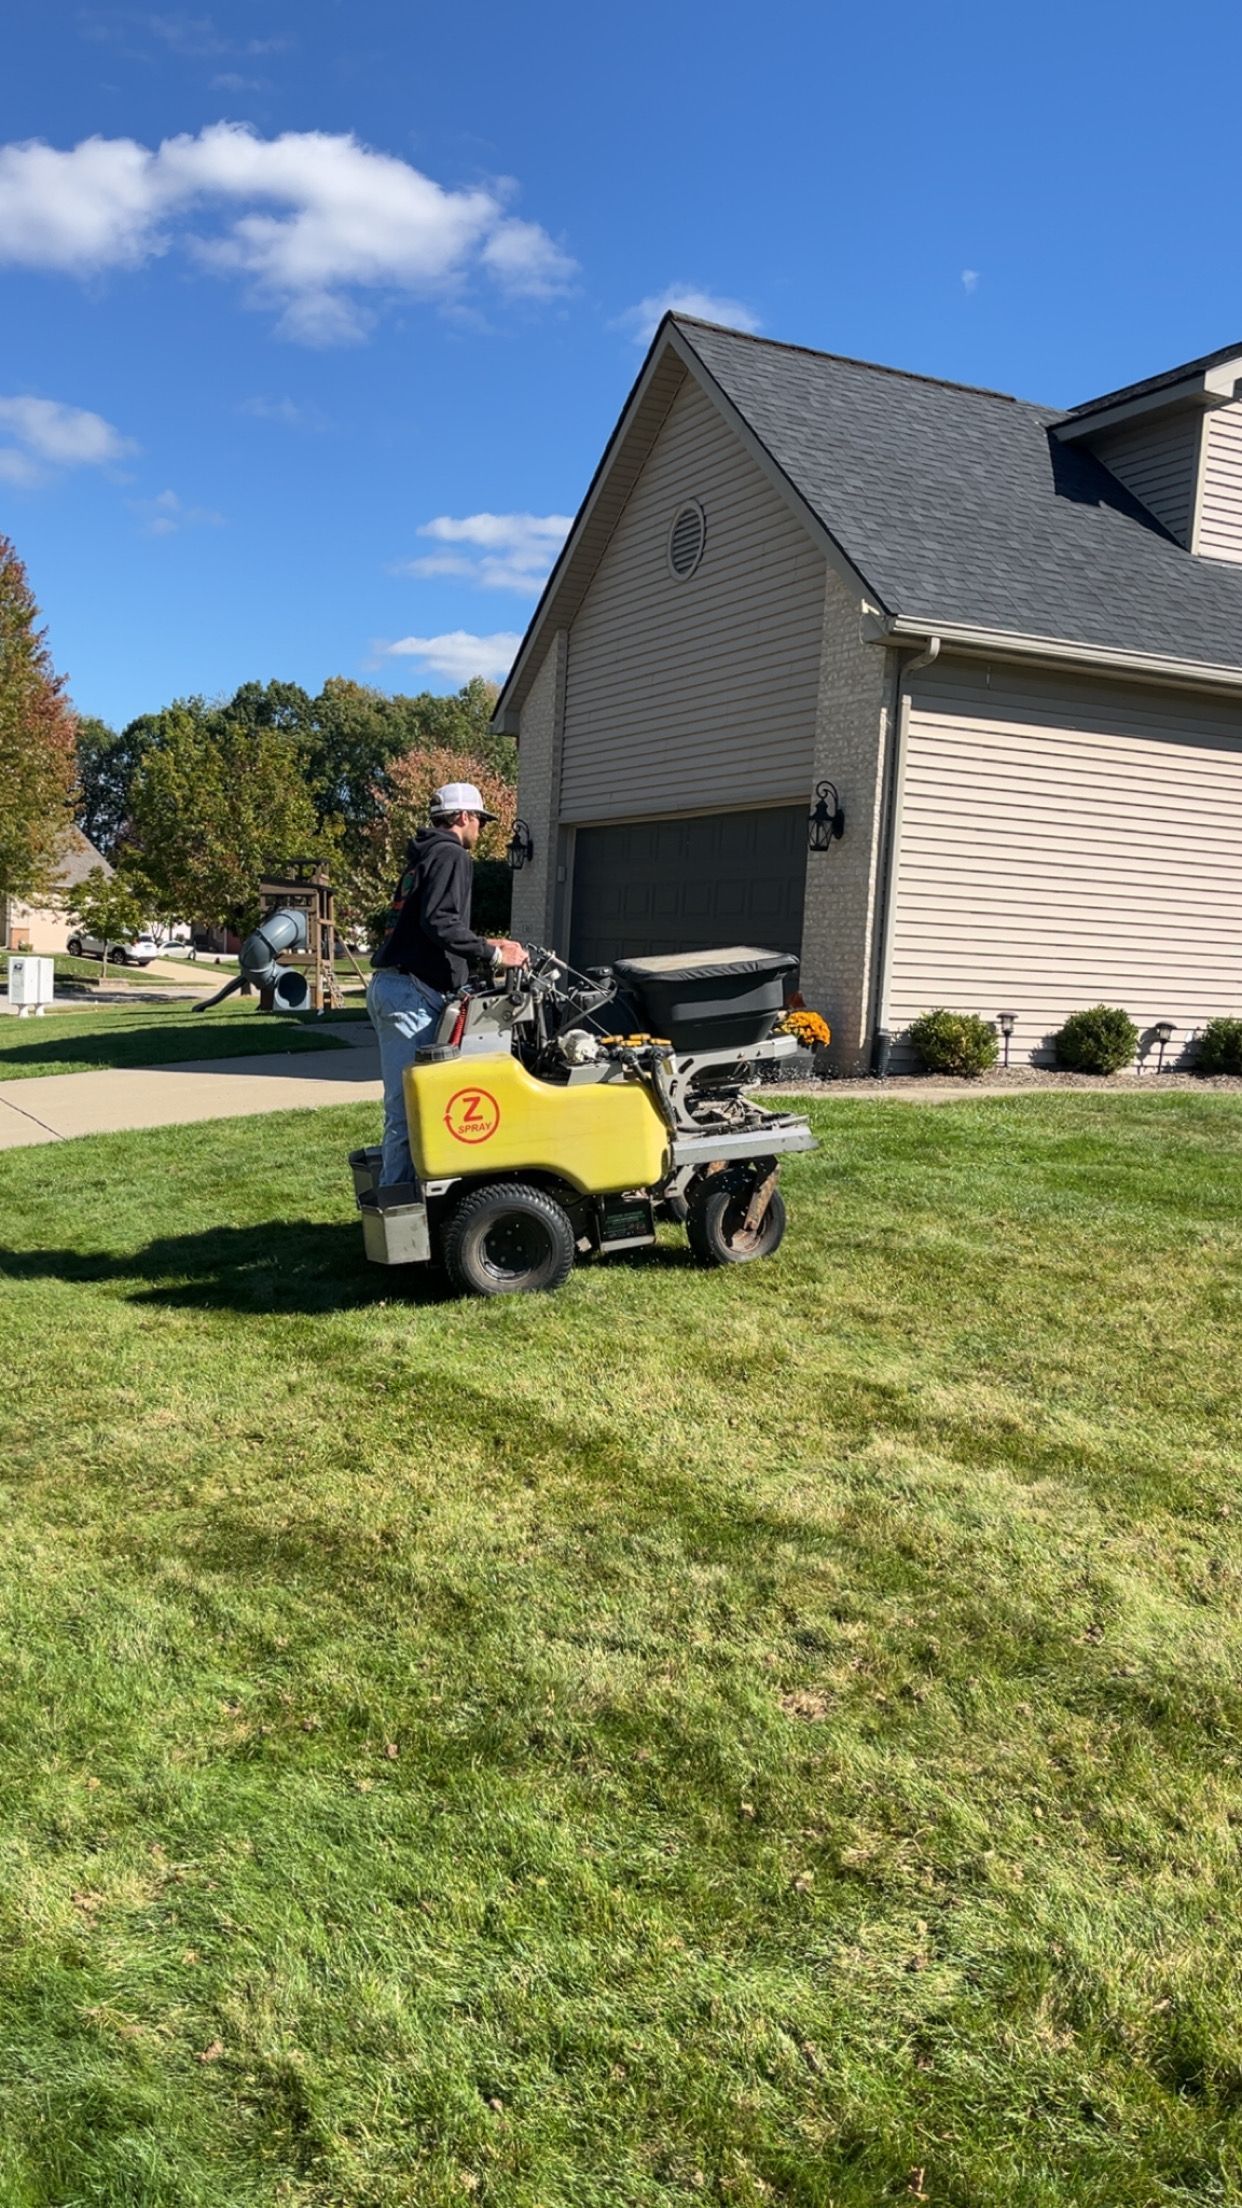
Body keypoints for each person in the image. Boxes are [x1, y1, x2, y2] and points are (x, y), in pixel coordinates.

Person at [367, 782, 527, 1188]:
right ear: (462, 817)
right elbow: (439, 922)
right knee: (411, 1109)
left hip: (399, 987)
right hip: (411, 994)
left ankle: (411, 1198)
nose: (482, 830)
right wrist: (492, 955)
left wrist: (489, 943)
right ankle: (398, 1213)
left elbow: (431, 926)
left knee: (415, 1106)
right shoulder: (452, 854)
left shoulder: (425, 856)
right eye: (480, 821)